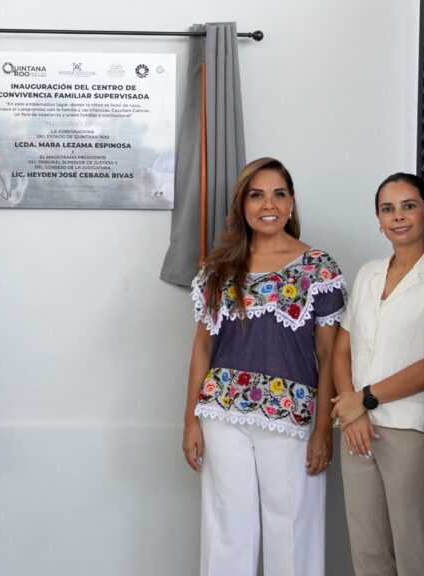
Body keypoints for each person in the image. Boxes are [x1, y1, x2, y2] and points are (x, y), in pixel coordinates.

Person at [181, 157, 344, 576]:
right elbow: (202, 346)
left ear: (291, 202)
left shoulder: (318, 268)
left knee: (292, 532)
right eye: (257, 195)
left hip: (292, 416)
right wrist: (190, 421)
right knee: (226, 531)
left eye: (278, 194)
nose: (268, 204)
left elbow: (329, 355)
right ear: (242, 204)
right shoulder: (217, 269)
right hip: (220, 411)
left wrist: (323, 429)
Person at [330, 173, 424, 576]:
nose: (398, 216)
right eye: (387, 209)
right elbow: (342, 350)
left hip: (413, 428)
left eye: (409, 206)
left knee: (413, 550)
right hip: (358, 427)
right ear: (378, 220)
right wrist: (352, 410)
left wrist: (364, 398)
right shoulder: (368, 274)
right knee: (368, 550)